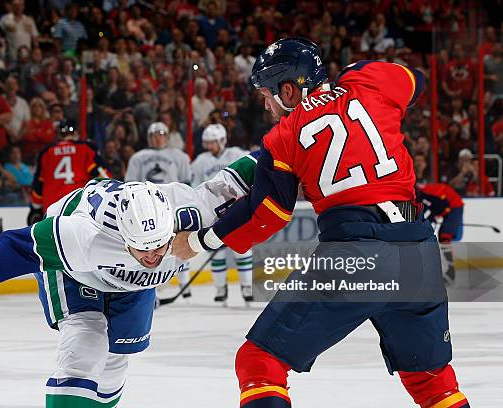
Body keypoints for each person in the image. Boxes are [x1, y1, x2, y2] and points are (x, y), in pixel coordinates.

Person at [172, 38, 469, 408]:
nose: (265, 106)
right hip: (419, 248)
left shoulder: (281, 137)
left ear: (288, 89)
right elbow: (416, 81)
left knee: (259, 363)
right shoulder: (367, 80)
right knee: (432, 382)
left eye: (266, 95)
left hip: (358, 249)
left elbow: (266, 214)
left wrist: (199, 242)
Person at [0, 158, 254, 407]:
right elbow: (8, 249)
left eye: (160, 244)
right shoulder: (81, 237)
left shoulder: (192, 212)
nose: (154, 255)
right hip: (74, 272)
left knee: (116, 357)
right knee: (86, 345)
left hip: (132, 284)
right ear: (123, 236)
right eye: (142, 248)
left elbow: (253, 167)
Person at [190, 123, 253, 303]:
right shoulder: (201, 161)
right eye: (207, 142)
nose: (210, 146)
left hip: (239, 210)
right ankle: (220, 288)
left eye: (213, 142)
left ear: (223, 140)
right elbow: (195, 186)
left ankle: (247, 287)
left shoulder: (237, 155)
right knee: (216, 251)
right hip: (213, 212)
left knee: (242, 249)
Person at [28, 119, 110, 224]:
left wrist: (36, 208)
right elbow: (103, 177)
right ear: (75, 133)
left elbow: (38, 185)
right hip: (78, 208)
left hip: (52, 212)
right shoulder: (85, 148)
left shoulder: (46, 152)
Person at [416, 183, 464, 286]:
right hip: (445, 205)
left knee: (445, 238)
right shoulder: (420, 193)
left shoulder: (424, 194)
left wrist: (432, 217)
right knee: (443, 238)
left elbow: (441, 205)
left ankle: (450, 274)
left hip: (453, 205)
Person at [125, 122, 192, 184]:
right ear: (149, 138)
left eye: (161, 135)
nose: (158, 138)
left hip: (171, 194)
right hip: (146, 195)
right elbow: (131, 182)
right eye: (154, 135)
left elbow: (185, 181)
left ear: (167, 137)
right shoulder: (137, 157)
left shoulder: (179, 156)